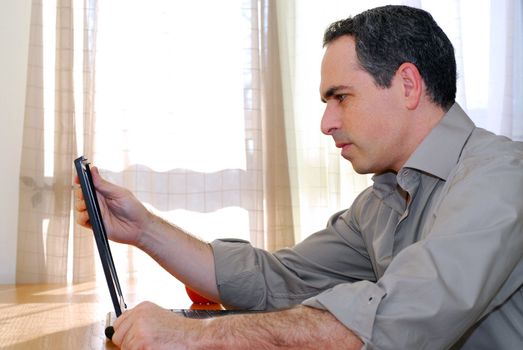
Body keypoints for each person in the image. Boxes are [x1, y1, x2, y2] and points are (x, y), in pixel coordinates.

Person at [75, 5, 523, 349]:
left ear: (407, 85)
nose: (326, 123)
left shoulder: (500, 176)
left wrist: (192, 336)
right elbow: (276, 281)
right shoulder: (381, 204)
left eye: (341, 97)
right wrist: (144, 230)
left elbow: (397, 320)